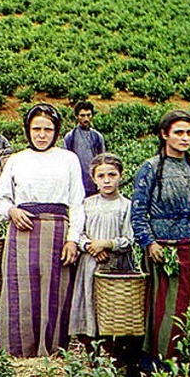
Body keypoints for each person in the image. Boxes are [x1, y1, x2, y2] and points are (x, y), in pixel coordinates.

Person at [131, 110, 190, 361]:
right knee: (167, 308)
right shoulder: (150, 168)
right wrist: (149, 243)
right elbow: (138, 213)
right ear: (164, 135)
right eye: (179, 133)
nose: (186, 138)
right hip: (165, 251)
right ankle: (163, 361)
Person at [0, 103, 84, 358]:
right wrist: (12, 211)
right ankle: (18, 352)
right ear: (27, 130)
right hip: (22, 233)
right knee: (21, 290)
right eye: (36, 129)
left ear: (56, 132)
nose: (41, 134)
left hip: (57, 233)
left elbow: (77, 202)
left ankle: (52, 351)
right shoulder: (16, 160)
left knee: (55, 290)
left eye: (48, 129)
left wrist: (73, 240)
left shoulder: (68, 159)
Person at [69, 153, 138, 365]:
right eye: (101, 176)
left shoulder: (127, 205)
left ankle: (117, 356)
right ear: (93, 178)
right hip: (90, 265)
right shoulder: (87, 204)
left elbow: (129, 238)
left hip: (116, 267)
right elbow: (78, 232)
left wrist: (107, 244)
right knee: (90, 304)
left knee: (115, 310)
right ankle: (93, 355)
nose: (107, 180)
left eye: (112, 175)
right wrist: (90, 246)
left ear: (121, 176)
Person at [64, 101, 106, 197]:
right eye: (82, 115)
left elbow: (102, 159)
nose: (86, 119)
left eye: (88, 115)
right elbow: (67, 161)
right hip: (77, 180)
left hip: (94, 182)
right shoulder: (71, 136)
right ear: (76, 116)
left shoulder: (97, 136)